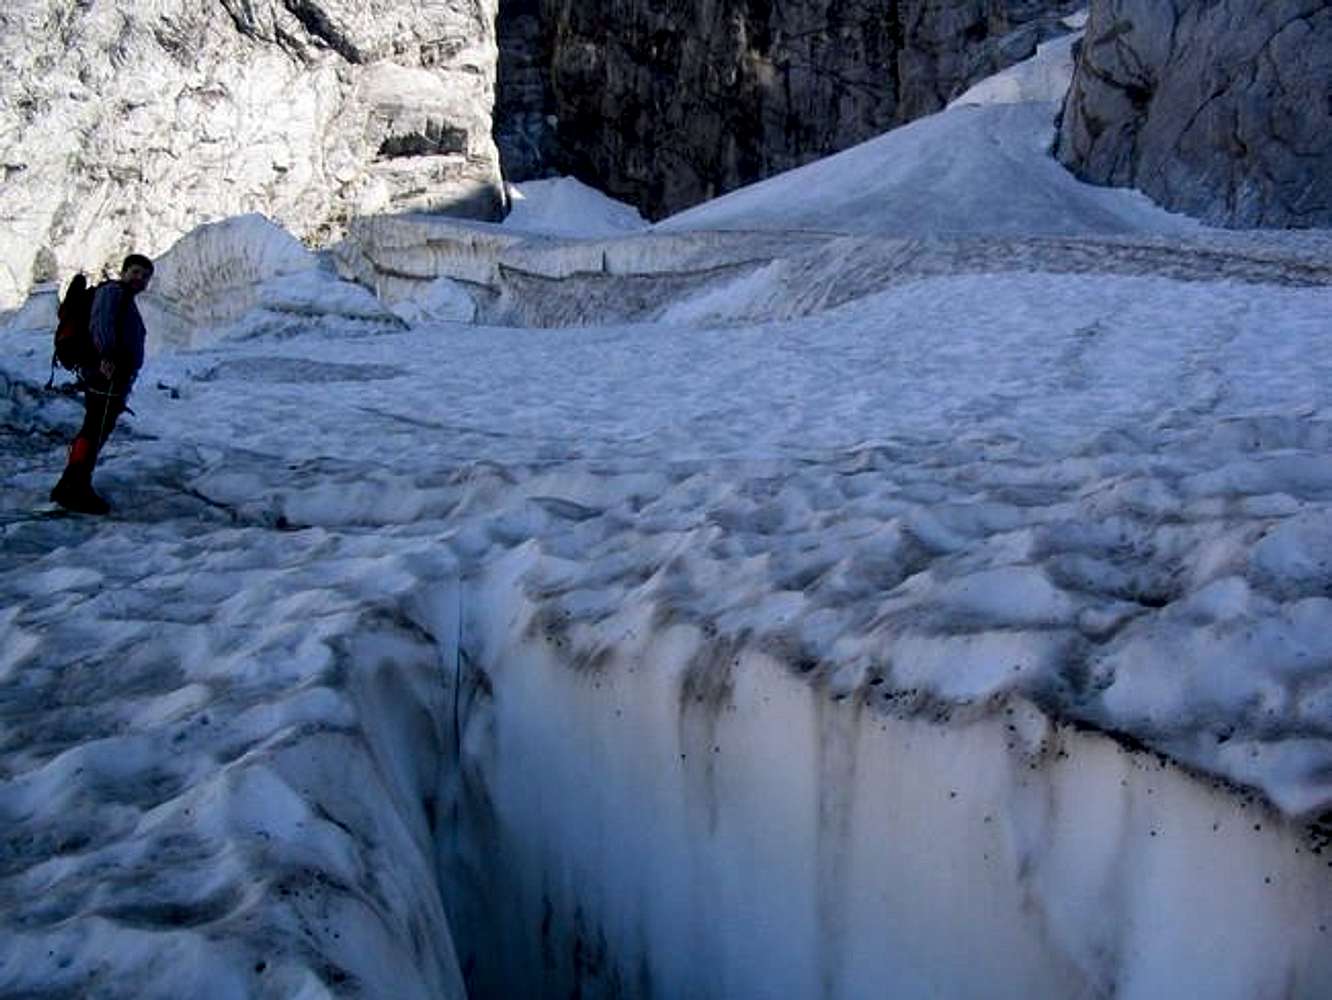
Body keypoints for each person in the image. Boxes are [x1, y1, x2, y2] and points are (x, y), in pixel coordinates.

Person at [49, 253, 154, 514]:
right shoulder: (112, 292)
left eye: (144, 275)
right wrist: (107, 355)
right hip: (106, 371)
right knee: (95, 428)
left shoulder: (123, 298)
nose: (139, 278)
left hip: (111, 372)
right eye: (135, 272)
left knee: (96, 427)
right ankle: (76, 487)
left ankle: (69, 484)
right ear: (124, 272)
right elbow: (101, 322)